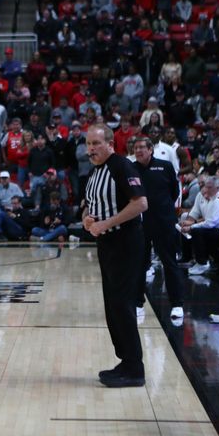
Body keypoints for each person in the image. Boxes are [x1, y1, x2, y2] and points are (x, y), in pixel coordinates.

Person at [83, 124, 148, 387]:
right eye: (88, 144)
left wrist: (106, 223)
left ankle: (135, 369)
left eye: (96, 143)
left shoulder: (122, 166)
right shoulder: (94, 172)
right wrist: (87, 219)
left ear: (111, 143)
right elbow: (91, 205)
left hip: (125, 241)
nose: (91, 149)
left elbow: (140, 203)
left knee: (122, 304)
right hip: (107, 244)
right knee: (112, 305)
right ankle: (125, 362)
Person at [131, 137, 184, 323]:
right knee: (139, 264)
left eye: (141, 148)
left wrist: (162, 207)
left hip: (164, 222)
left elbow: (174, 191)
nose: (138, 151)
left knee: (170, 263)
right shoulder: (131, 169)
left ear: (150, 149)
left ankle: (177, 304)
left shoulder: (165, 166)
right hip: (140, 224)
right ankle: (138, 303)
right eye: (135, 148)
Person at [180, 176, 219, 275]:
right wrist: (189, 224)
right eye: (206, 187)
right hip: (215, 229)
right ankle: (190, 258)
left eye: (209, 187)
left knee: (197, 231)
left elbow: (210, 223)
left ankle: (202, 263)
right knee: (194, 228)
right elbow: (205, 219)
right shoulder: (210, 197)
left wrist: (191, 226)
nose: (206, 189)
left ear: (218, 188)